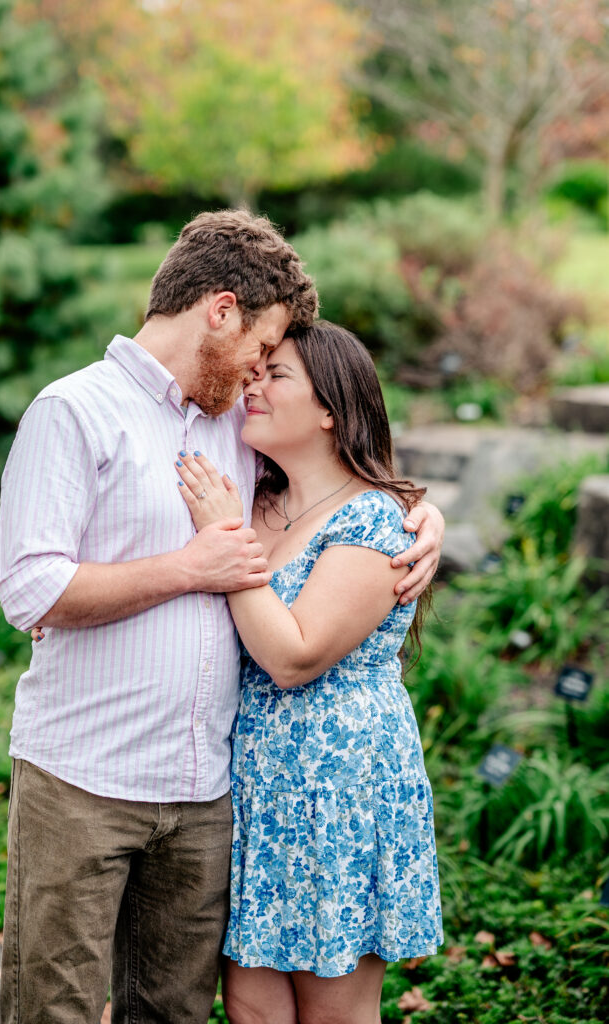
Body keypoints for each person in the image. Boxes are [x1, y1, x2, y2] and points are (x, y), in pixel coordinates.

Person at [0, 209, 444, 1024]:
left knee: (169, 1012)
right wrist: (192, 566)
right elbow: (28, 591)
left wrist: (418, 513)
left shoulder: (238, 426)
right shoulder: (74, 412)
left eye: (273, 367)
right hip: (85, 777)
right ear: (221, 311)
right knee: (51, 1009)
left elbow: (343, 457)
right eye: (260, 349)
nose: (257, 372)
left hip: (209, 792)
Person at [173, 321, 443, 1024]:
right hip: (256, 789)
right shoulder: (251, 496)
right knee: (253, 1009)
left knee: (332, 1013)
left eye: (277, 375)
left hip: (339, 791)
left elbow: (293, 656)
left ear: (330, 408)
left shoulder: (375, 522)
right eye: (255, 373)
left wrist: (225, 546)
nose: (253, 384)